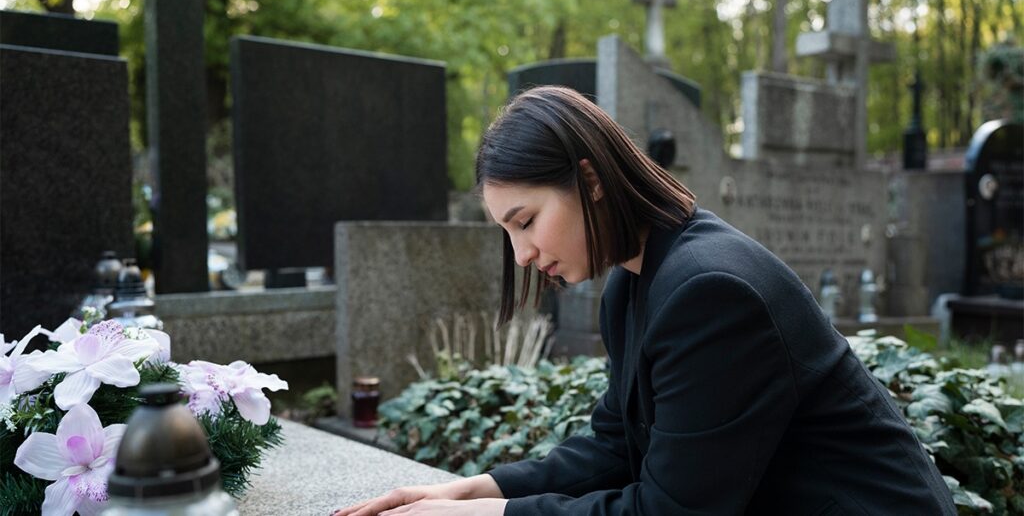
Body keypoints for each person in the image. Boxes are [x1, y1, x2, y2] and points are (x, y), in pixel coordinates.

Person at [333, 86, 956, 516]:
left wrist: (496, 513)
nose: (520, 253)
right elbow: (614, 446)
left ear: (592, 181)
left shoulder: (711, 291)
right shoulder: (636, 280)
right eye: (507, 232)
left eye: (525, 221)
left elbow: (672, 510)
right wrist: (471, 489)